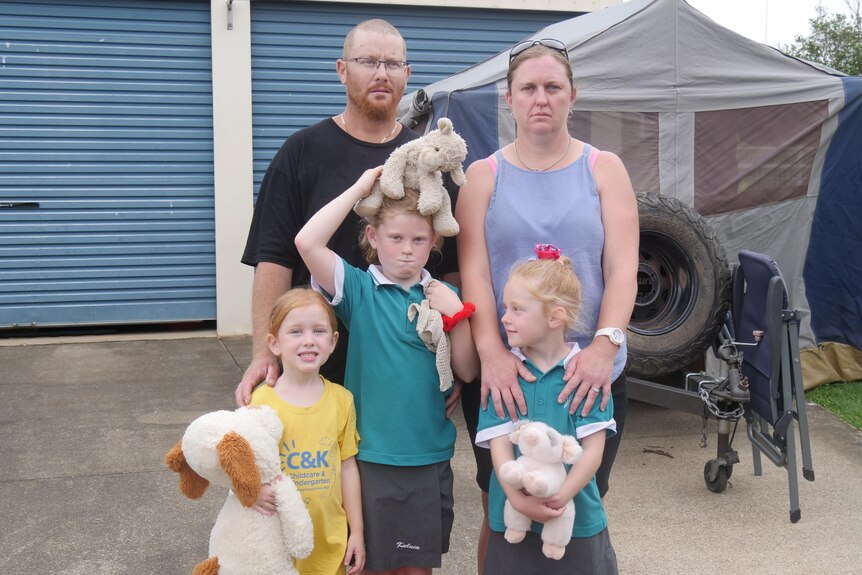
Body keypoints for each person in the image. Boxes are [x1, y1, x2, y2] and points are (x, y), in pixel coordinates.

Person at [455, 38, 639, 549]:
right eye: (528, 88)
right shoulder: (481, 178)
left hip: (585, 376)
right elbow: (473, 274)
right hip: (507, 376)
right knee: (503, 500)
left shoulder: (605, 169)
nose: (542, 98)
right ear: (509, 98)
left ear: (572, 95)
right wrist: (491, 352)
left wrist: (606, 346)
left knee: (578, 498)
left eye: (553, 87)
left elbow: (623, 269)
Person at [236, 19, 434, 405]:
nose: (381, 74)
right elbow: (273, 260)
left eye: (392, 64)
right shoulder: (301, 152)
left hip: (402, 368)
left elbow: (449, 264)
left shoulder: (425, 159)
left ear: (407, 75)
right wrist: (264, 352)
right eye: (367, 61)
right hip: (312, 370)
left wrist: (451, 357)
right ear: (342, 71)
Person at [294, 168, 480, 575]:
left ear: (434, 243)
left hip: (429, 457)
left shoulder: (442, 298)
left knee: (417, 569)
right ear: (373, 238)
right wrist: (360, 189)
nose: (407, 250)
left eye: (418, 240)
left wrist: (458, 316)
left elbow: (466, 368)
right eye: (395, 238)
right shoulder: (360, 291)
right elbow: (307, 242)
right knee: (370, 566)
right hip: (370, 458)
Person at [476, 249, 618, 575]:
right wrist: (519, 500)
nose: (504, 318)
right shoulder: (504, 377)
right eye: (505, 308)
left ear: (555, 317)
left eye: (517, 309)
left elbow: (593, 452)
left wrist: (560, 498)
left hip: (575, 524)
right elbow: (499, 448)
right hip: (512, 520)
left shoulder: (584, 377)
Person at [248, 288, 364, 574]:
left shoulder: (341, 400)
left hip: (329, 543)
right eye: (296, 332)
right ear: (274, 343)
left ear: (333, 341)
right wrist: (250, 491)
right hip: (276, 544)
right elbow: (241, 460)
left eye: (319, 331)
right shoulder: (261, 402)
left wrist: (357, 531)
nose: (309, 341)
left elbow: (347, 467)